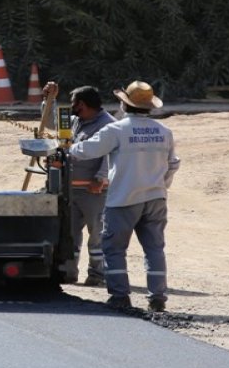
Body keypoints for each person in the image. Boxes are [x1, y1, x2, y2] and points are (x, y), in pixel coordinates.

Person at [69, 80, 180, 312]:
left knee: (115, 249)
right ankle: (157, 297)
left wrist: (66, 147)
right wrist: (161, 186)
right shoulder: (164, 131)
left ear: (124, 104)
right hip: (156, 198)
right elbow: (172, 165)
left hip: (123, 199)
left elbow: (87, 150)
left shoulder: (117, 129)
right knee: (155, 249)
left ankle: (120, 296)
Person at [43, 82, 115, 286]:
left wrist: (101, 178)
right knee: (70, 234)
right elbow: (50, 122)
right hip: (71, 188)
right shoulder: (75, 121)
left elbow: (111, 153)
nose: (72, 107)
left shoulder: (108, 125)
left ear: (82, 104)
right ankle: (68, 272)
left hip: (94, 191)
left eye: (74, 103)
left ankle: (97, 274)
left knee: (97, 235)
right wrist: (49, 100)